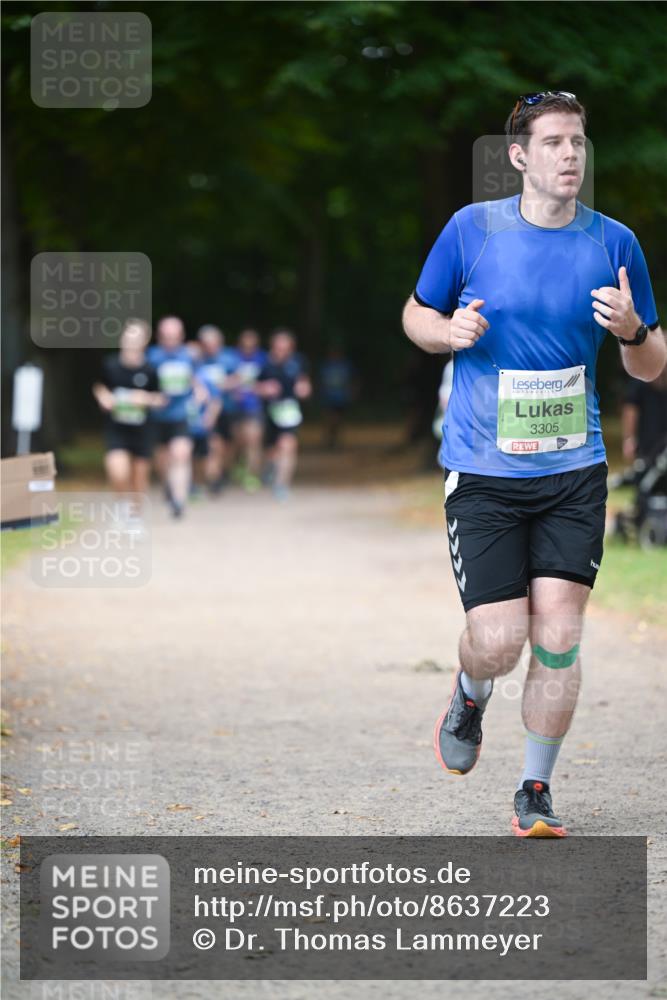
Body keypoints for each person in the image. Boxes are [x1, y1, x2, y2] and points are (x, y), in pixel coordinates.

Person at [402, 91, 665, 837]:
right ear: (518, 156)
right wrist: (446, 330)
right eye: (552, 142)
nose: (569, 155)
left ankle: (535, 788)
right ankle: (469, 692)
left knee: (557, 633)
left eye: (577, 142)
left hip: (571, 471)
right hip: (484, 473)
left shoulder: (614, 242)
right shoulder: (470, 231)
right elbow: (414, 313)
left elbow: (652, 365)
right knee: (498, 640)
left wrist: (633, 329)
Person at [92, 318, 165, 531]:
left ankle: (135, 517)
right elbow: (99, 386)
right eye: (128, 336)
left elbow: (160, 398)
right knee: (117, 470)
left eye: (136, 337)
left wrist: (145, 398)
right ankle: (121, 507)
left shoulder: (150, 370)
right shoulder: (110, 364)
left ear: (144, 341)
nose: (130, 341)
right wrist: (104, 398)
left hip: (142, 430)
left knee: (139, 476)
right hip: (117, 428)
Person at [147, 316, 202, 518]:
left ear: (181, 336)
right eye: (166, 336)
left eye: (174, 336)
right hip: (157, 417)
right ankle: (168, 486)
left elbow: (196, 380)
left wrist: (199, 393)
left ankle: (179, 501)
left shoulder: (189, 356)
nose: (170, 340)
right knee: (163, 460)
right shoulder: (151, 357)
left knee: (181, 454)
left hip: (181, 415)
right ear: (159, 337)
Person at [256, 329, 312, 500]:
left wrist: (304, 390)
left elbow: (305, 384)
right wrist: (265, 389)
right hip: (269, 411)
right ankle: (271, 467)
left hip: (289, 411)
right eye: (277, 347)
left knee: (288, 445)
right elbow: (254, 387)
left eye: (284, 348)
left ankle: (282, 485)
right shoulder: (265, 363)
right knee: (272, 450)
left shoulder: (298, 362)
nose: (281, 351)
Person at [196, 325, 239, 492]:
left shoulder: (229, 358)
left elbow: (238, 378)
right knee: (214, 444)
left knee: (227, 445)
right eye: (206, 344)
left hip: (227, 408)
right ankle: (212, 478)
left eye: (212, 343)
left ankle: (223, 470)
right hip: (205, 410)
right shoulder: (197, 359)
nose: (209, 347)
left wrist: (224, 385)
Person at [229, 328, 267, 493]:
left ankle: (253, 475)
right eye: (245, 343)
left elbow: (269, 379)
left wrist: (262, 389)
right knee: (238, 440)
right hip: (234, 406)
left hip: (254, 406)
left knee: (254, 440)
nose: (248, 346)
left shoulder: (263, 358)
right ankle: (239, 463)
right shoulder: (232, 358)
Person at [319, 345, 357, 450]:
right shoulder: (326, 366)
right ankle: (329, 440)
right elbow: (321, 381)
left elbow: (353, 380)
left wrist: (352, 392)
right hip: (328, 398)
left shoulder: (346, 366)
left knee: (338, 420)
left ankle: (335, 440)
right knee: (329, 419)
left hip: (341, 398)